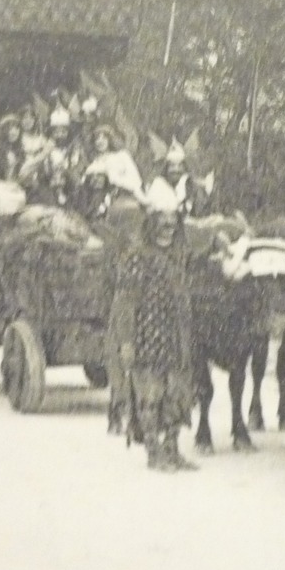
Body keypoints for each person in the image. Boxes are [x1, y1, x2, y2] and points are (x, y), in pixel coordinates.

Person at [110, 179, 199, 472]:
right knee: (150, 395)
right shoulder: (136, 256)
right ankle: (152, 451)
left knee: (177, 393)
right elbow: (125, 302)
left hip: (176, 335)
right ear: (151, 224)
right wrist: (126, 342)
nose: (168, 227)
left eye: (173, 222)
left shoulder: (180, 255)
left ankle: (172, 449)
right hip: (147, 335)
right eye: (162, 222)